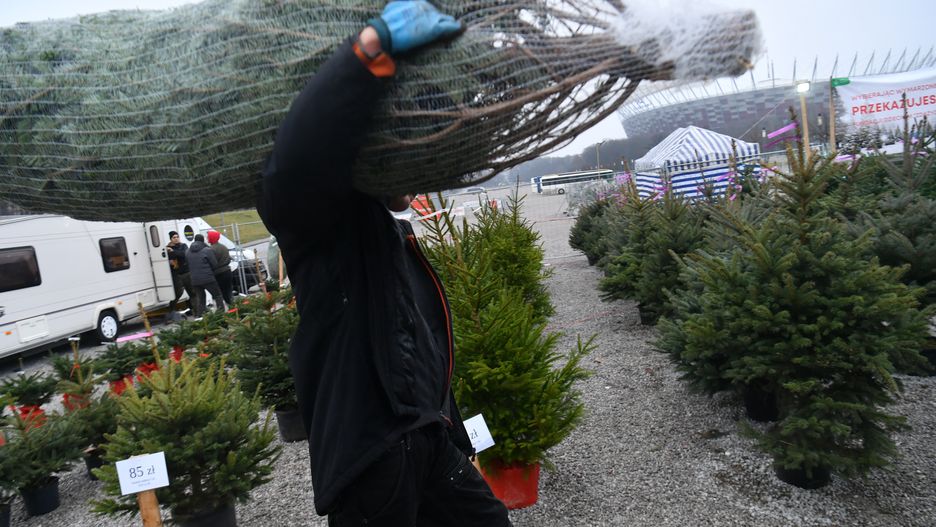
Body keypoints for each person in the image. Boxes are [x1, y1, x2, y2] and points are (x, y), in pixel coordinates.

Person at [256, 2, 512, 525]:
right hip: (370, 460)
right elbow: (300, 158)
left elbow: (414, 343)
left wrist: (453, 431)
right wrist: (370, 48)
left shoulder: (383, 230)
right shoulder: (316, 223)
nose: (415, 184)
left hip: (428, 440)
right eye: (405, 163)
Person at [186, 233, 226, 317]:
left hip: (194, 280)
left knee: (201, 299)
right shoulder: (207, 250)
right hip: (208, 278)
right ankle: (221, 315)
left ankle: (200, 318)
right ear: (203, 240)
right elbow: (214, 264)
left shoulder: (187, 252)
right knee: (218, 295)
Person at [166, 230, 194, 315]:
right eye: (174, 237)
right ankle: (171, 310)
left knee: (192, 292)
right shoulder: (167, 248)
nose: (176, 239)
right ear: (171, 239)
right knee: (178, 293)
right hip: (177, 274)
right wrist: (174, 253)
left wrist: (173, 252)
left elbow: (184, 254)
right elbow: (170, 259)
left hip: (186, 272)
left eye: (177, 237)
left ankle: (193, 308)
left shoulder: (183, 245)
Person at [207, 230, 234, 306]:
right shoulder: (224, 247)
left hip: (219, 273)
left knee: (221, 293)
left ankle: (231, 309)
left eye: (208, 237)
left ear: (211, 238)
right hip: (227, 271)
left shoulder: (211, 249)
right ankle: (234, 307)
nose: (207, 238)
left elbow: (212, 263)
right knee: (229, 291)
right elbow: (229, 258)